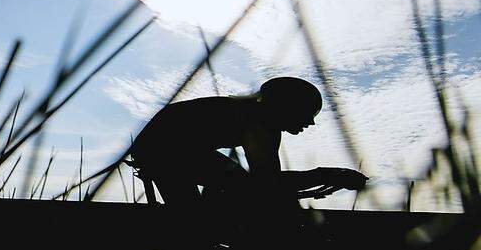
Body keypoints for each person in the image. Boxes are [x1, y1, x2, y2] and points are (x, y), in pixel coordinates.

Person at [129, 77, 368, 210]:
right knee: (230, 191)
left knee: (231, 188)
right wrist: (325, 175)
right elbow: (268, 184)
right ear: (288, 107)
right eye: (308, 114)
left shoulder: (258, 117)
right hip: (166, 150)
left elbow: (266, 183)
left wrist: (324, 176)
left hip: (164, 147)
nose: (311, 123)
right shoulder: (261, 124)